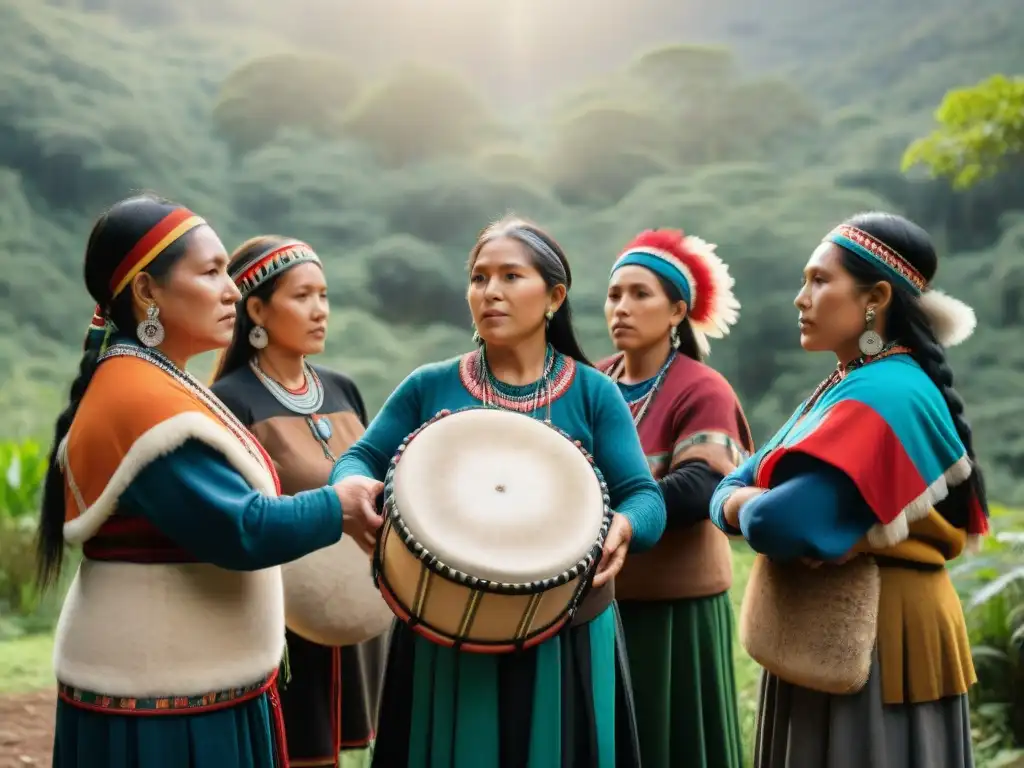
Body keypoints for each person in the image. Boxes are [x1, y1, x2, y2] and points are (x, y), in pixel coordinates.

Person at [37, 194, 383, 768]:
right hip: (163, 695)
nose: (231, 291)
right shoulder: (141, 400)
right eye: (211, 271)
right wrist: (338, 506)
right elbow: (240, 528)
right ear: (148, 291)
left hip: (184, 681)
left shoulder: (156, 383)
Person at [330, 215, 666, 768]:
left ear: (554, 296)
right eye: (479, 277)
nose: (490, 292)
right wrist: (354, 492)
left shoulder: (593, 393)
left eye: (511, 276)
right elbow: (357, 458)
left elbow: (644, 498)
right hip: (443, 625)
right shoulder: (429, 385)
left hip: (566, 629)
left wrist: (624, 527)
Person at [710, 211, 987, 767]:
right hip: (832, 634)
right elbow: (730, 488)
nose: (801, 298)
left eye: (818, 280)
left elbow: (776, 523)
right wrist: (742, 499)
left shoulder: (885, 393)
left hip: (879, 642)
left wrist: (742, 502)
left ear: (876, 297)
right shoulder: (846, 384)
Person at [211, 235, 387, 768]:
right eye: (303, 296)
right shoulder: (231, 400)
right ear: (257, 309)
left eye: (324, 295)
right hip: (286, 620)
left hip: (358, 607)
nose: (320, 311)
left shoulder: (343, 390)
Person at [598, 228, 752, 768]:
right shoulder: (595, 381)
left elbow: (701, 487)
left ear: (676, 311)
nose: (621, 307)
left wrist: (608, 519)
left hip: (673, 613)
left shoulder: (701, 387)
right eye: (615, 294)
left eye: (640, 294)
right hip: (600, 602)